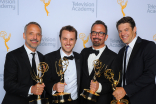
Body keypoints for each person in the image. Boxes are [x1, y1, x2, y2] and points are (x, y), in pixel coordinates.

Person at [113, 16, 156, 104]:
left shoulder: (148, 46)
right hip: (125, 100)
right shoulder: (121, 52)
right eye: (120, 31)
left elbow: (150, 75)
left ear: (134, 29)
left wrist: (125, 90)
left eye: (126, 30)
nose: (123, 33)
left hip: (144, 100)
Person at [2, 22, 46, 104]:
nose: (35, 37)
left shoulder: (42, 58)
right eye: (31, 34)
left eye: (38, 34)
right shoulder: (12, 56)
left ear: (41, 37)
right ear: (24, 35)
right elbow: (8, 84)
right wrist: (30, 89)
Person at [80, 20, 117, 104]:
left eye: (100, 33)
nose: (97, 36)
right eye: (94, 33)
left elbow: (115, 84)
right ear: (90, 35)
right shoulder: (84, 52)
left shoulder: (114, 57)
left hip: (101, 101)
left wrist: (99, 87)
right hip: (82, 100)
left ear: (106, 37)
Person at [44, 25, 81, 104]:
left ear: (76, 41)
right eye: (65, 39)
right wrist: (54, 87)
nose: (68, 42)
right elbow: (44, 81)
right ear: (60, 39)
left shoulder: (81, 58)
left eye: (71, 39)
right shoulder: (48, 58)